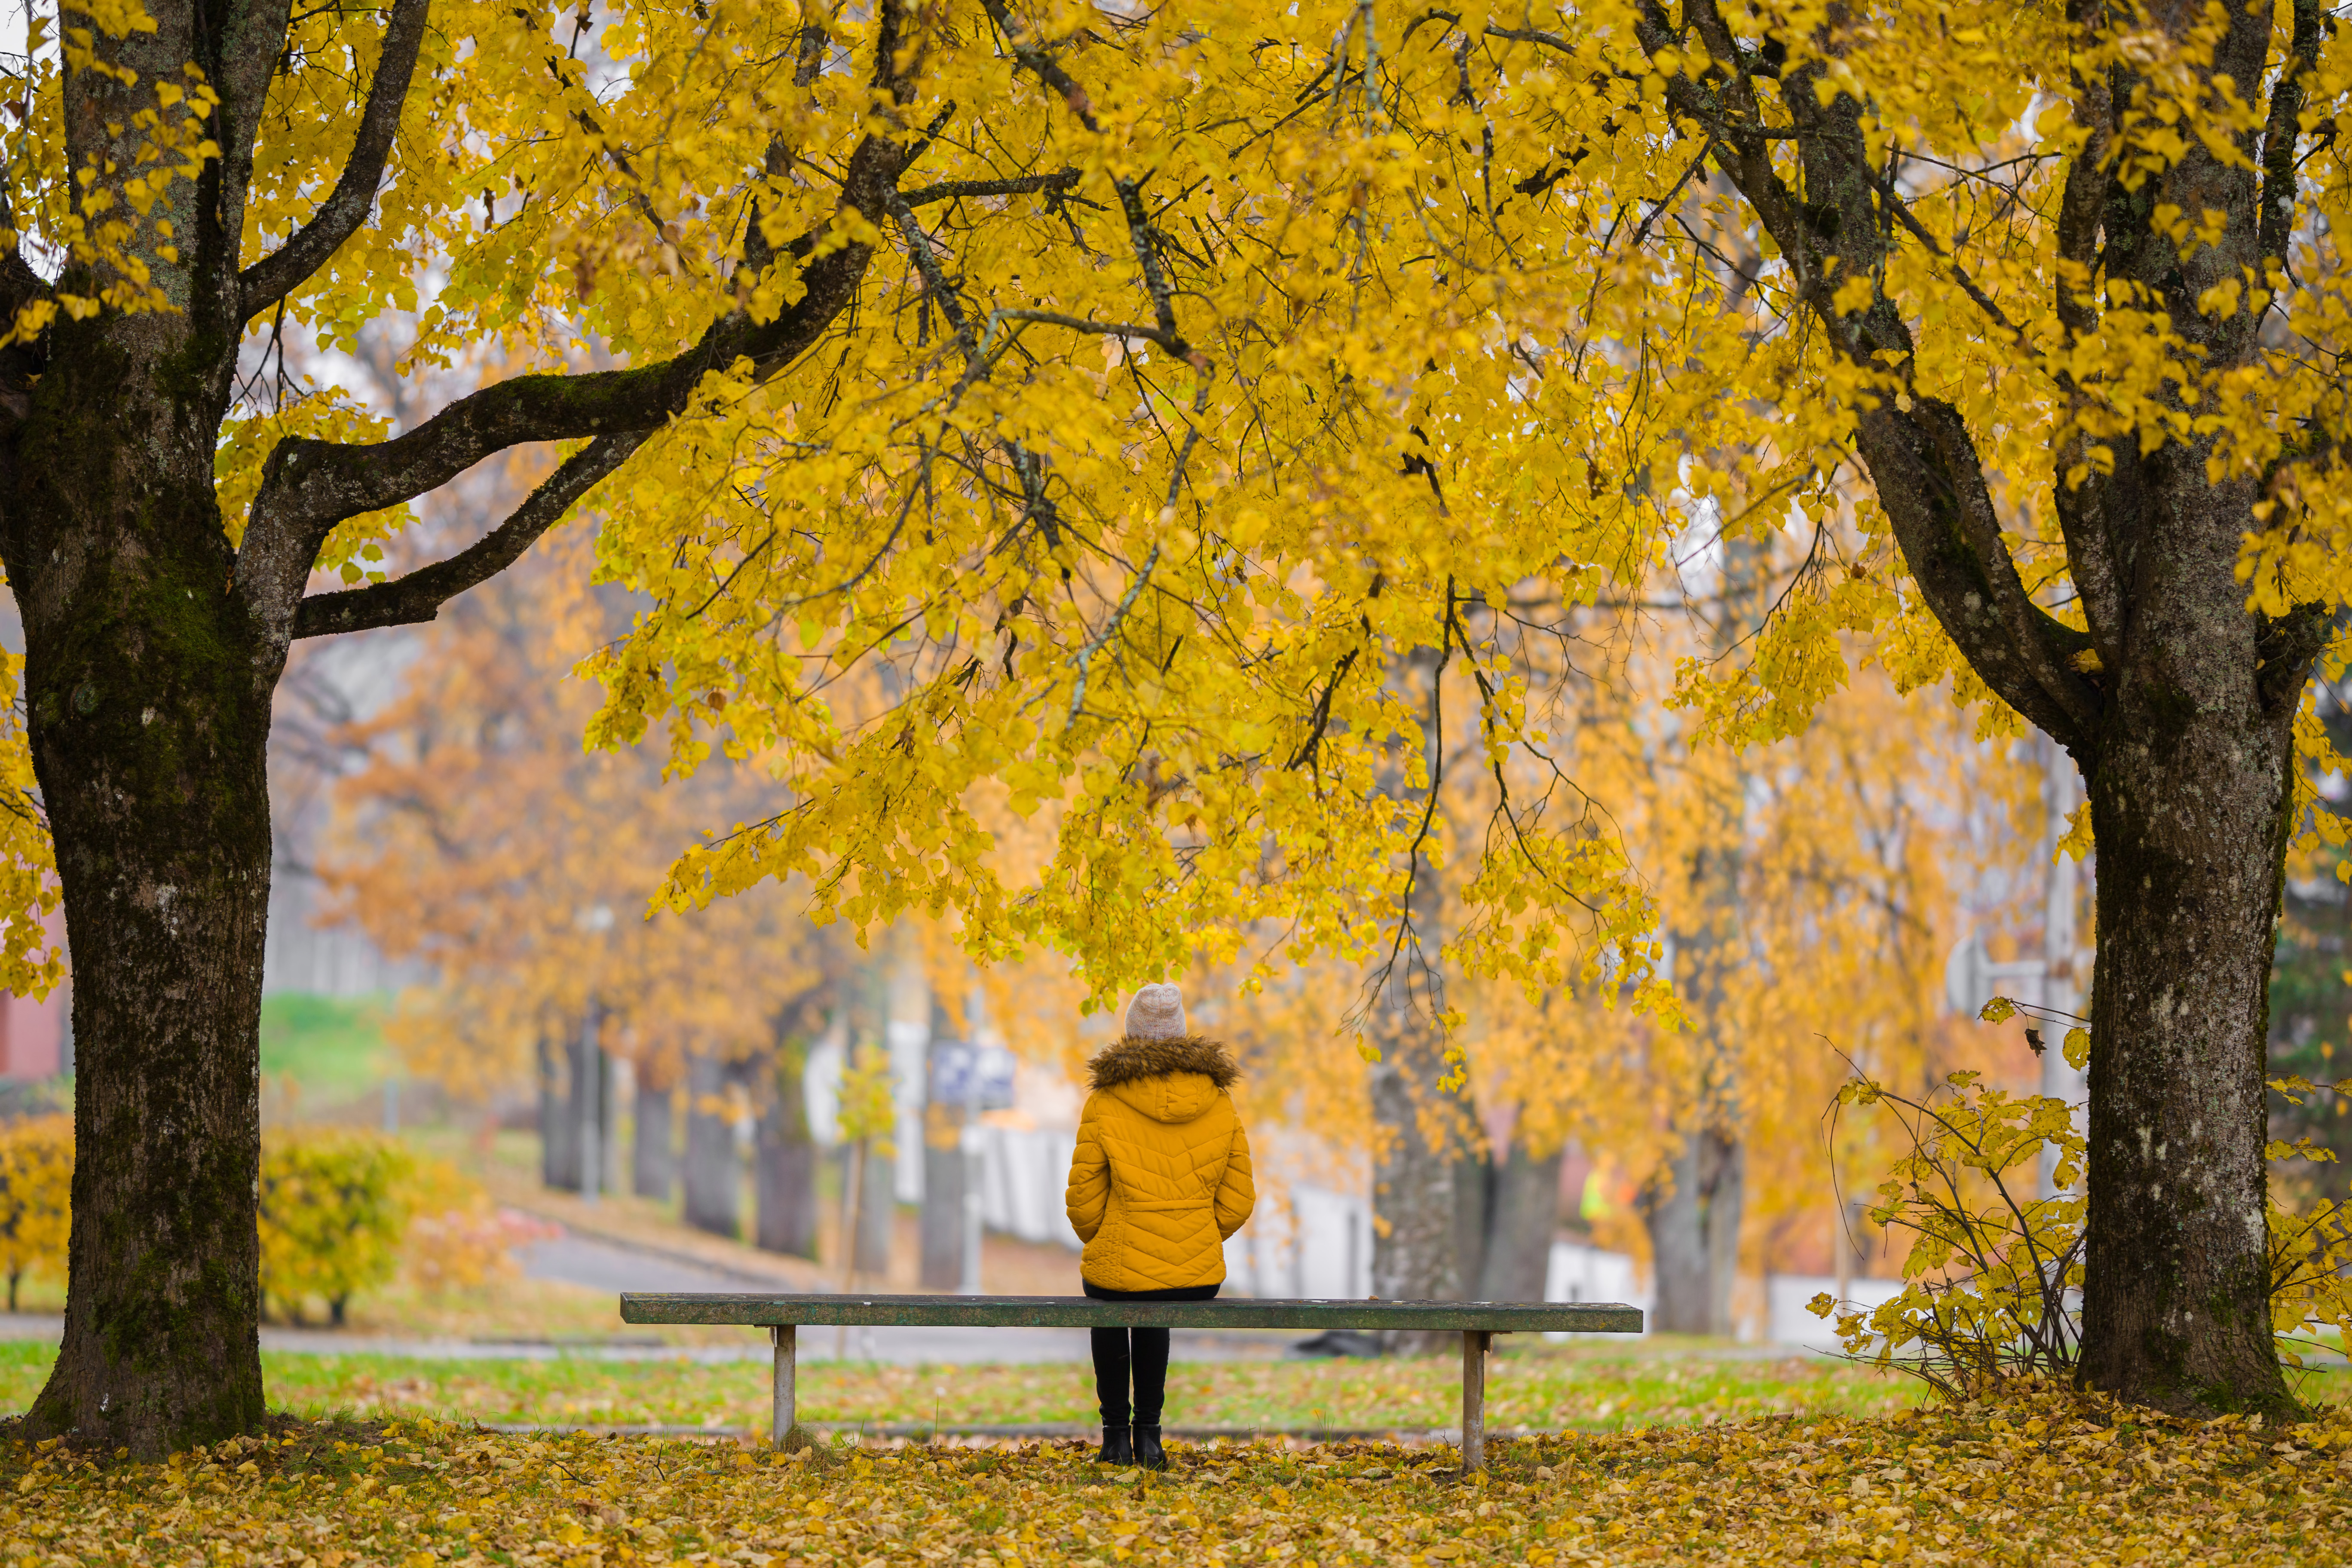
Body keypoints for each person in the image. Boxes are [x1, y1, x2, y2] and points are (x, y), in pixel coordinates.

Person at [1064, 982, 1256, 1470]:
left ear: (1131, 1035)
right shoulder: (1219, 1102)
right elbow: (1238, 1201)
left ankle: (1114, 1439)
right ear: (1182, 1034)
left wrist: (1105, 1237)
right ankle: (1149, 1437)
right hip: (1196, 1275)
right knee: (1160, 1291)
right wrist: (1196, 1235)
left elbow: (1084, 1200)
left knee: (1111, 1292)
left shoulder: (1106, 1102)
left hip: (1120, 1267)